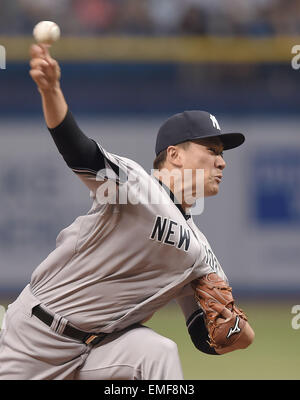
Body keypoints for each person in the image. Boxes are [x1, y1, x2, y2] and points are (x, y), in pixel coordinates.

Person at [0, 44, 254, 380]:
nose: (222, 161)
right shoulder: (135, 187)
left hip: (97, 353)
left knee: (157, 352)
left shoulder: (201, 252)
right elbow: (80, 152)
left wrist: (238, 335)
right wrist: (51, 91)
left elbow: (204, 335)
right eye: (211, 150)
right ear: (174, 155)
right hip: (36, 337)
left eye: (222, 153)